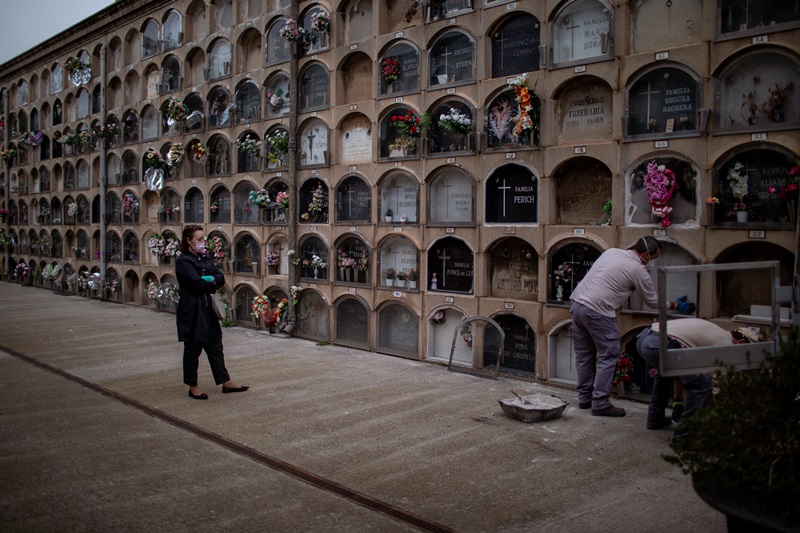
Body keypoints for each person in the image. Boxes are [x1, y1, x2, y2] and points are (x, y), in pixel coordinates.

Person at [569, 236, 695, 417]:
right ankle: (600, 403)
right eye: (653, 257)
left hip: (578, 303)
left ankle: (584, 398)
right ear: (645, 254)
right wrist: (674, 305)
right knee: (609, 354)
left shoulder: (612, 252)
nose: (651, 262)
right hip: (598, 311)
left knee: (584, 355)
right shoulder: (638, 269)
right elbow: (652, 302)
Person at [636, 319, 758, 429]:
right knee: (703, 385)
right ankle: (685, 434)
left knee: (665, 374)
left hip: (643, 338)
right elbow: (717, 386)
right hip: (659, 345)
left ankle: (655, 418)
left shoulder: (718, 333)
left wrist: (678, 402)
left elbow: (682, 373)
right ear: (741, 342)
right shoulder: (725, 344)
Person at [176, 224, 248, 400]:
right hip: (192, 311)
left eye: (203, 239)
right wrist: (208, 279)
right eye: (199, 239)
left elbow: (220, 278)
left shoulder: (203, 258)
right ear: (188, 240)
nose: (203, 242)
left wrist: (208, 279)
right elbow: (196, 284)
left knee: (216, 346)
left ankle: (226, 382)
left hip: (208, 309)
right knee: (193, 349)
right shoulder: (184, 261)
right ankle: (193, 386)